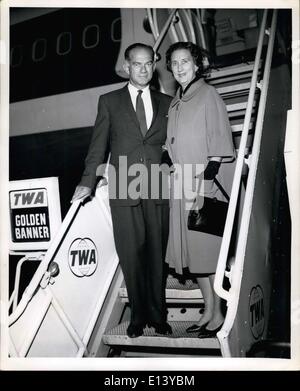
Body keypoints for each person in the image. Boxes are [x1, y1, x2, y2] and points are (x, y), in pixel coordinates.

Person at [72, 43, 172, 338]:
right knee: (131, 253)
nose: (143, 69)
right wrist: (87, 180)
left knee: (157, 252)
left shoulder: (167, 102)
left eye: (148, 64)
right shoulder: (109, 101)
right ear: (127, 67)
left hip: (156, 183)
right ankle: (138, 317)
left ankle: (159, 315)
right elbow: (98, 145)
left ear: (153, 66)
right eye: (137, 64)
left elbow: (174, 143)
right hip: (123, 184)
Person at [164, 42, 236, 338]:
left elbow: (219, 137)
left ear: (196, 65)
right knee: (194, 256)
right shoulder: (177, 100)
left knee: (206, 251)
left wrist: (210, 172)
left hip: (202, 184)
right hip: (182, 182)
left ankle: (218, 313)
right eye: (174, 63)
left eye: (185, 61)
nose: (180, 67)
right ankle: (207, 310)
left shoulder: (207, 95)